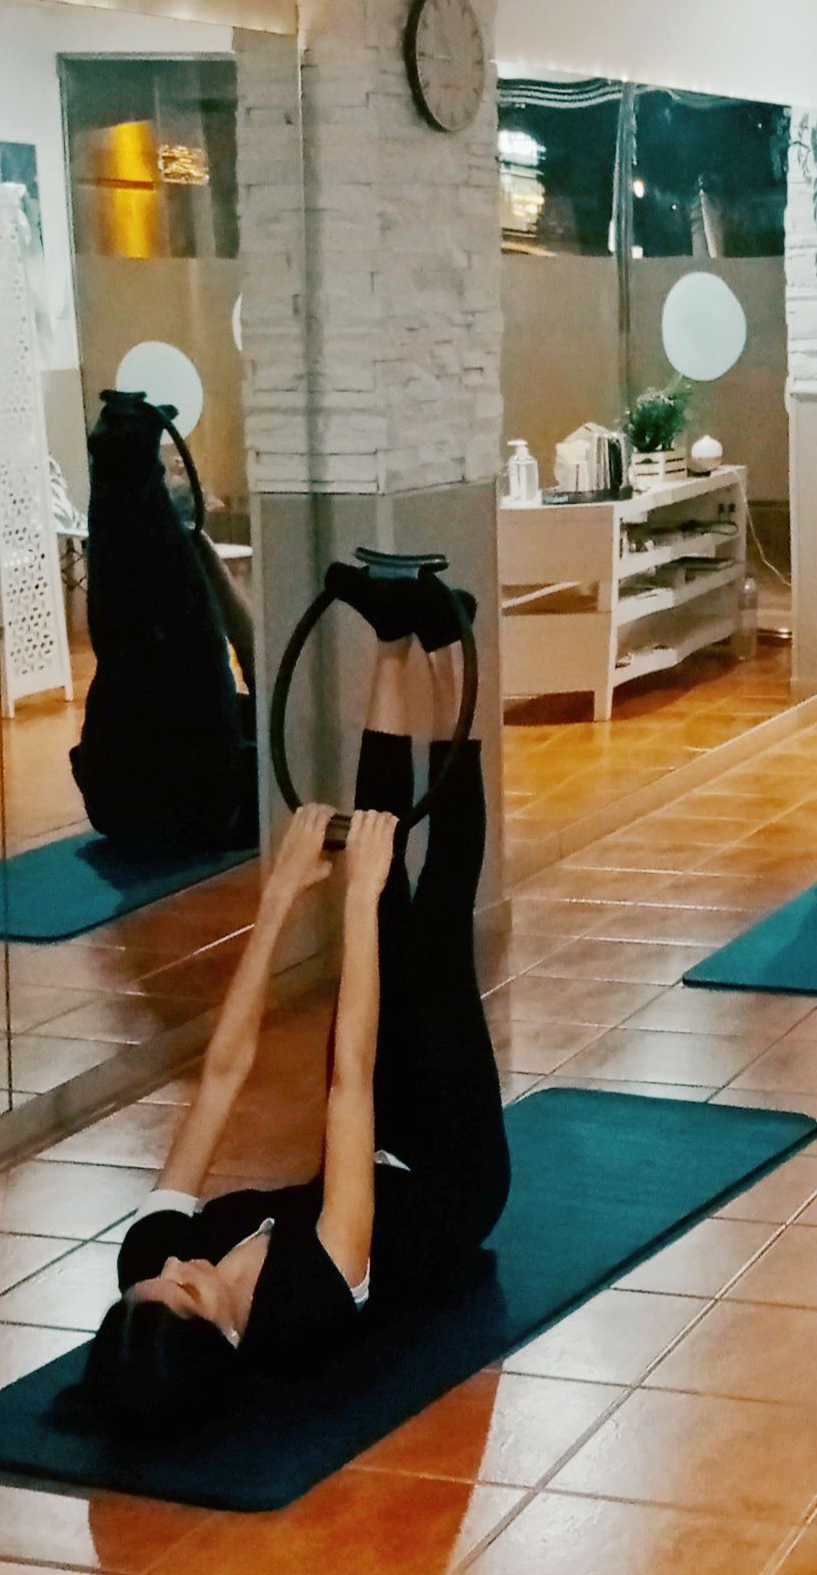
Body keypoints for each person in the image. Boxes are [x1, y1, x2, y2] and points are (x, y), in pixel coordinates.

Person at [81, 572, 507, 1434]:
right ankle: (448, 650)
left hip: (370, 1137)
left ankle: (394, 642)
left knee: (382, 905)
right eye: (186, 1289)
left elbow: (222, 1073)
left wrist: (277, 899)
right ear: (223, 1337)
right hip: (451, 1178)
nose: (174, 1266)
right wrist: (356, 900)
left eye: (154, 1282)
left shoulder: (149, 1265)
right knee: (428, 917)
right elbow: (348, 1083)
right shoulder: (304, 1305)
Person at [71, 390, 258, 854]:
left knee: (133, 653)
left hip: (117, 806)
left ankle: (126, 466)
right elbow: (258, 659)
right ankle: (130, 467)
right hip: (193, 812)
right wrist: (205, 562)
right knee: (175, 658)